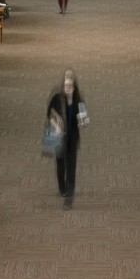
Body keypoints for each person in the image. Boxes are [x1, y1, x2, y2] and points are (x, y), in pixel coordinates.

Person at [47, 71, 85, 210]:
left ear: (74, 87)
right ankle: (62, 187)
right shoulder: (57, 97)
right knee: (61, 164)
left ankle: (69, 196)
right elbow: (49, 113)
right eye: (65, 85)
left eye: (70, 85)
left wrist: (83, 121)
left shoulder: (77, 99)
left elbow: (83, 116)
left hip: (73, 137)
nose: (67, 88)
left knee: (71, 166)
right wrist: (56, 126)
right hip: (59, 136)